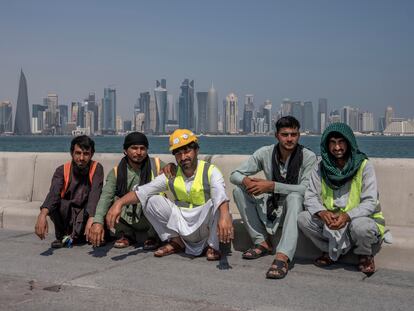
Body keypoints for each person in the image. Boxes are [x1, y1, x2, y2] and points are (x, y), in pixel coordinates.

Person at [105, 129, 234, 260]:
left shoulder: (210, 171)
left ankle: (212, 246)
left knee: (218, 204)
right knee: (150, 200)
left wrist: (224, 216)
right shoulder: (172, 173)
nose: (183, 157)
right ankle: (177, 242)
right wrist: (119, 203)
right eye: (178, 154)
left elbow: (220, 194)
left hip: (204, 226)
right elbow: (143, 191)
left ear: (196, 150)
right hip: (182, 223)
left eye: (187, 151)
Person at [230, 116, 317, 279]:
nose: (290, 139)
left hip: (294, 211)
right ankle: (261, 242)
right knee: (238, 191)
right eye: (285, 134)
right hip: (272, 206)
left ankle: (283, 256)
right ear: (276, 135)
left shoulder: (308, 157)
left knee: (295, 197)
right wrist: (247, 181)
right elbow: (234, 175)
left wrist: (271, 185)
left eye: (294, 134)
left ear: (299, 136)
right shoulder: (265, 153)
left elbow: (306, 190)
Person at [298, 122, 388, 275]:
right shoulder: (320, 166)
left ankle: (364, 255)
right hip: (331, 219)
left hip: (357, 218)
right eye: (332, 143)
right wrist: (322, 213)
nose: (337, 148)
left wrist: (347, 216)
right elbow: (311, 195)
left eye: (341, 142)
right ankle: (331, 251)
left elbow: (370, 202)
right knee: (303, 218)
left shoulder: (363, 166)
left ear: (349, 142)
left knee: (361, 228)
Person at [87, 132, 165, 249]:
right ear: (125, 150)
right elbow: (105, 198)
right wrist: (97, 222)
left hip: (149, 219)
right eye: (134, 148)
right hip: (125, 218)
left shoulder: (157, 165)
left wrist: (170, 167)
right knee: (112, 199)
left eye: (142, 148)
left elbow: (176, 175)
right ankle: (125, 234)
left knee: (156, 198)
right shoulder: (116, 172)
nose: (138, 152)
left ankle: (153, 236)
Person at [35, 135, 104, 248]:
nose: (81, 158)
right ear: (72, 153)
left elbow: (95, 195)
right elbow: (53, 194)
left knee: (102, 202)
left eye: (86, 154)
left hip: (87, 212)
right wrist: (42, 214)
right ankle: (62, 236)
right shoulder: (62, 170)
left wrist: (92, 218)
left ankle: (90, 235)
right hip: (67, 214)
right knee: (54, 205)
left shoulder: (96, 168)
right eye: (78, 153)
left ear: (91, 155)